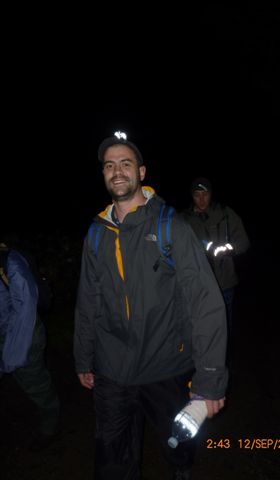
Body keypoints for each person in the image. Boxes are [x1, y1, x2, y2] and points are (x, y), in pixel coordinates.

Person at [73, 132, 228, 480]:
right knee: (112, 462)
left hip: (166, 367)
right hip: (113, 372)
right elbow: (88, 301)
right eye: (109, 165)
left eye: (125, 164)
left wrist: (210, 378)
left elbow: (205, 304)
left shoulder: (171, 226)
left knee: (179, 448)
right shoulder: (96, 234)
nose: (117, 171)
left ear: (141, 172)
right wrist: (83, 357)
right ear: (103, 174)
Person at [182, 177, 250, 368]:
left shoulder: (226, 215)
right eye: (197, 194)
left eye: (205, 194)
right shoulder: (184, 220)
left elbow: (244, 241)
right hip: (196, 287)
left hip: (224, 283)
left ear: (211, 194)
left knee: (224, 329)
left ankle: (222, 367)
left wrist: (229, 249)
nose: (202, 199)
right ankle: (198, 368)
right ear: (192, 196)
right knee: (197, 330)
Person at [0, 241, 60, 451]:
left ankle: (49, 428)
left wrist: (12, 354)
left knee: (36, 385)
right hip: (7, 333)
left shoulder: (11, 261)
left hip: (23, 335)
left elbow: (25, 309)